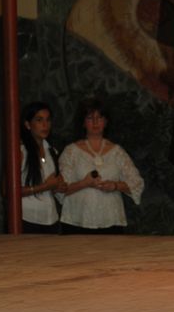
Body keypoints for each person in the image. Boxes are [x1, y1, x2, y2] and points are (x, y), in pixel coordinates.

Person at [59, 98, 144, 233]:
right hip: (77, 221)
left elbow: (137, 183)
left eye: (100, 117)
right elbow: (60, 189)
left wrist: (115, 185)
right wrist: (84, 183)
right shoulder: (71, 151)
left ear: (106, 121)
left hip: (111, 222)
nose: (95, 122)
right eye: (90, 118)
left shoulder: (117, 152)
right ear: (83, 122)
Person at [20, 101, 64, 234]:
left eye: (48, 120)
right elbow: (9, 191)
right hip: (28, 218)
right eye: (39, 120)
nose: (45, 125)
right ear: (28, 124)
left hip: (51, 218)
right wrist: (45, 186)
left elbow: (54, 185)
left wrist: (59, 187)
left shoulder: (52, 151)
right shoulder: (21, 152)